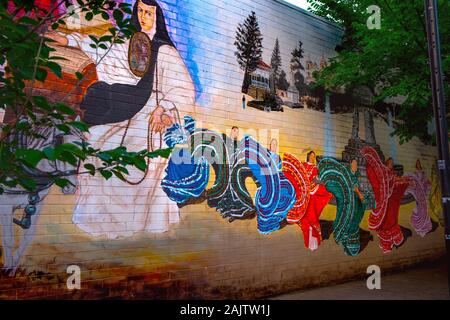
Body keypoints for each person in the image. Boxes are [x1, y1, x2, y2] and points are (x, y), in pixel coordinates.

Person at [61, 0, 197, 239]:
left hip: (153, 116)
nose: (145, 17)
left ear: (158, 16)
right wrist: (70, 40)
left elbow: (183, 90)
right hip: (129, 109)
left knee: (136, 157)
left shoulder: (164, 50)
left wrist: (163, 108)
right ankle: (97, 221)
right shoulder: (128, 43)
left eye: (150, 13)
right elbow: (99, 48)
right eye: (141, 11)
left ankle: (142, 224)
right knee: (97, 143)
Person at [300, 151, 332, 251]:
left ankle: (312, 228)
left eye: (314, 157)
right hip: (303, 188)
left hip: (311, 188)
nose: (312, 158)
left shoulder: (315, 168)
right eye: (311, 156)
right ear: (308, 156)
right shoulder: (303, 165)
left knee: (323, 192)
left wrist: (318, 180)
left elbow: (316, 178)